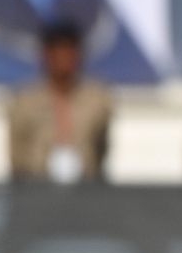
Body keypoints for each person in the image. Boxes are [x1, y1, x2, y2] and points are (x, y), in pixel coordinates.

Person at [8, 23, 113, 183]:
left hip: (84, 188)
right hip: (36, 189)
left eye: (69, 51)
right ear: (45, 55)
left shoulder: (97, 99)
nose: (63, 59)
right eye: (57, 52)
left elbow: (101, 148)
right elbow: (17, 153)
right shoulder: (25, 100)